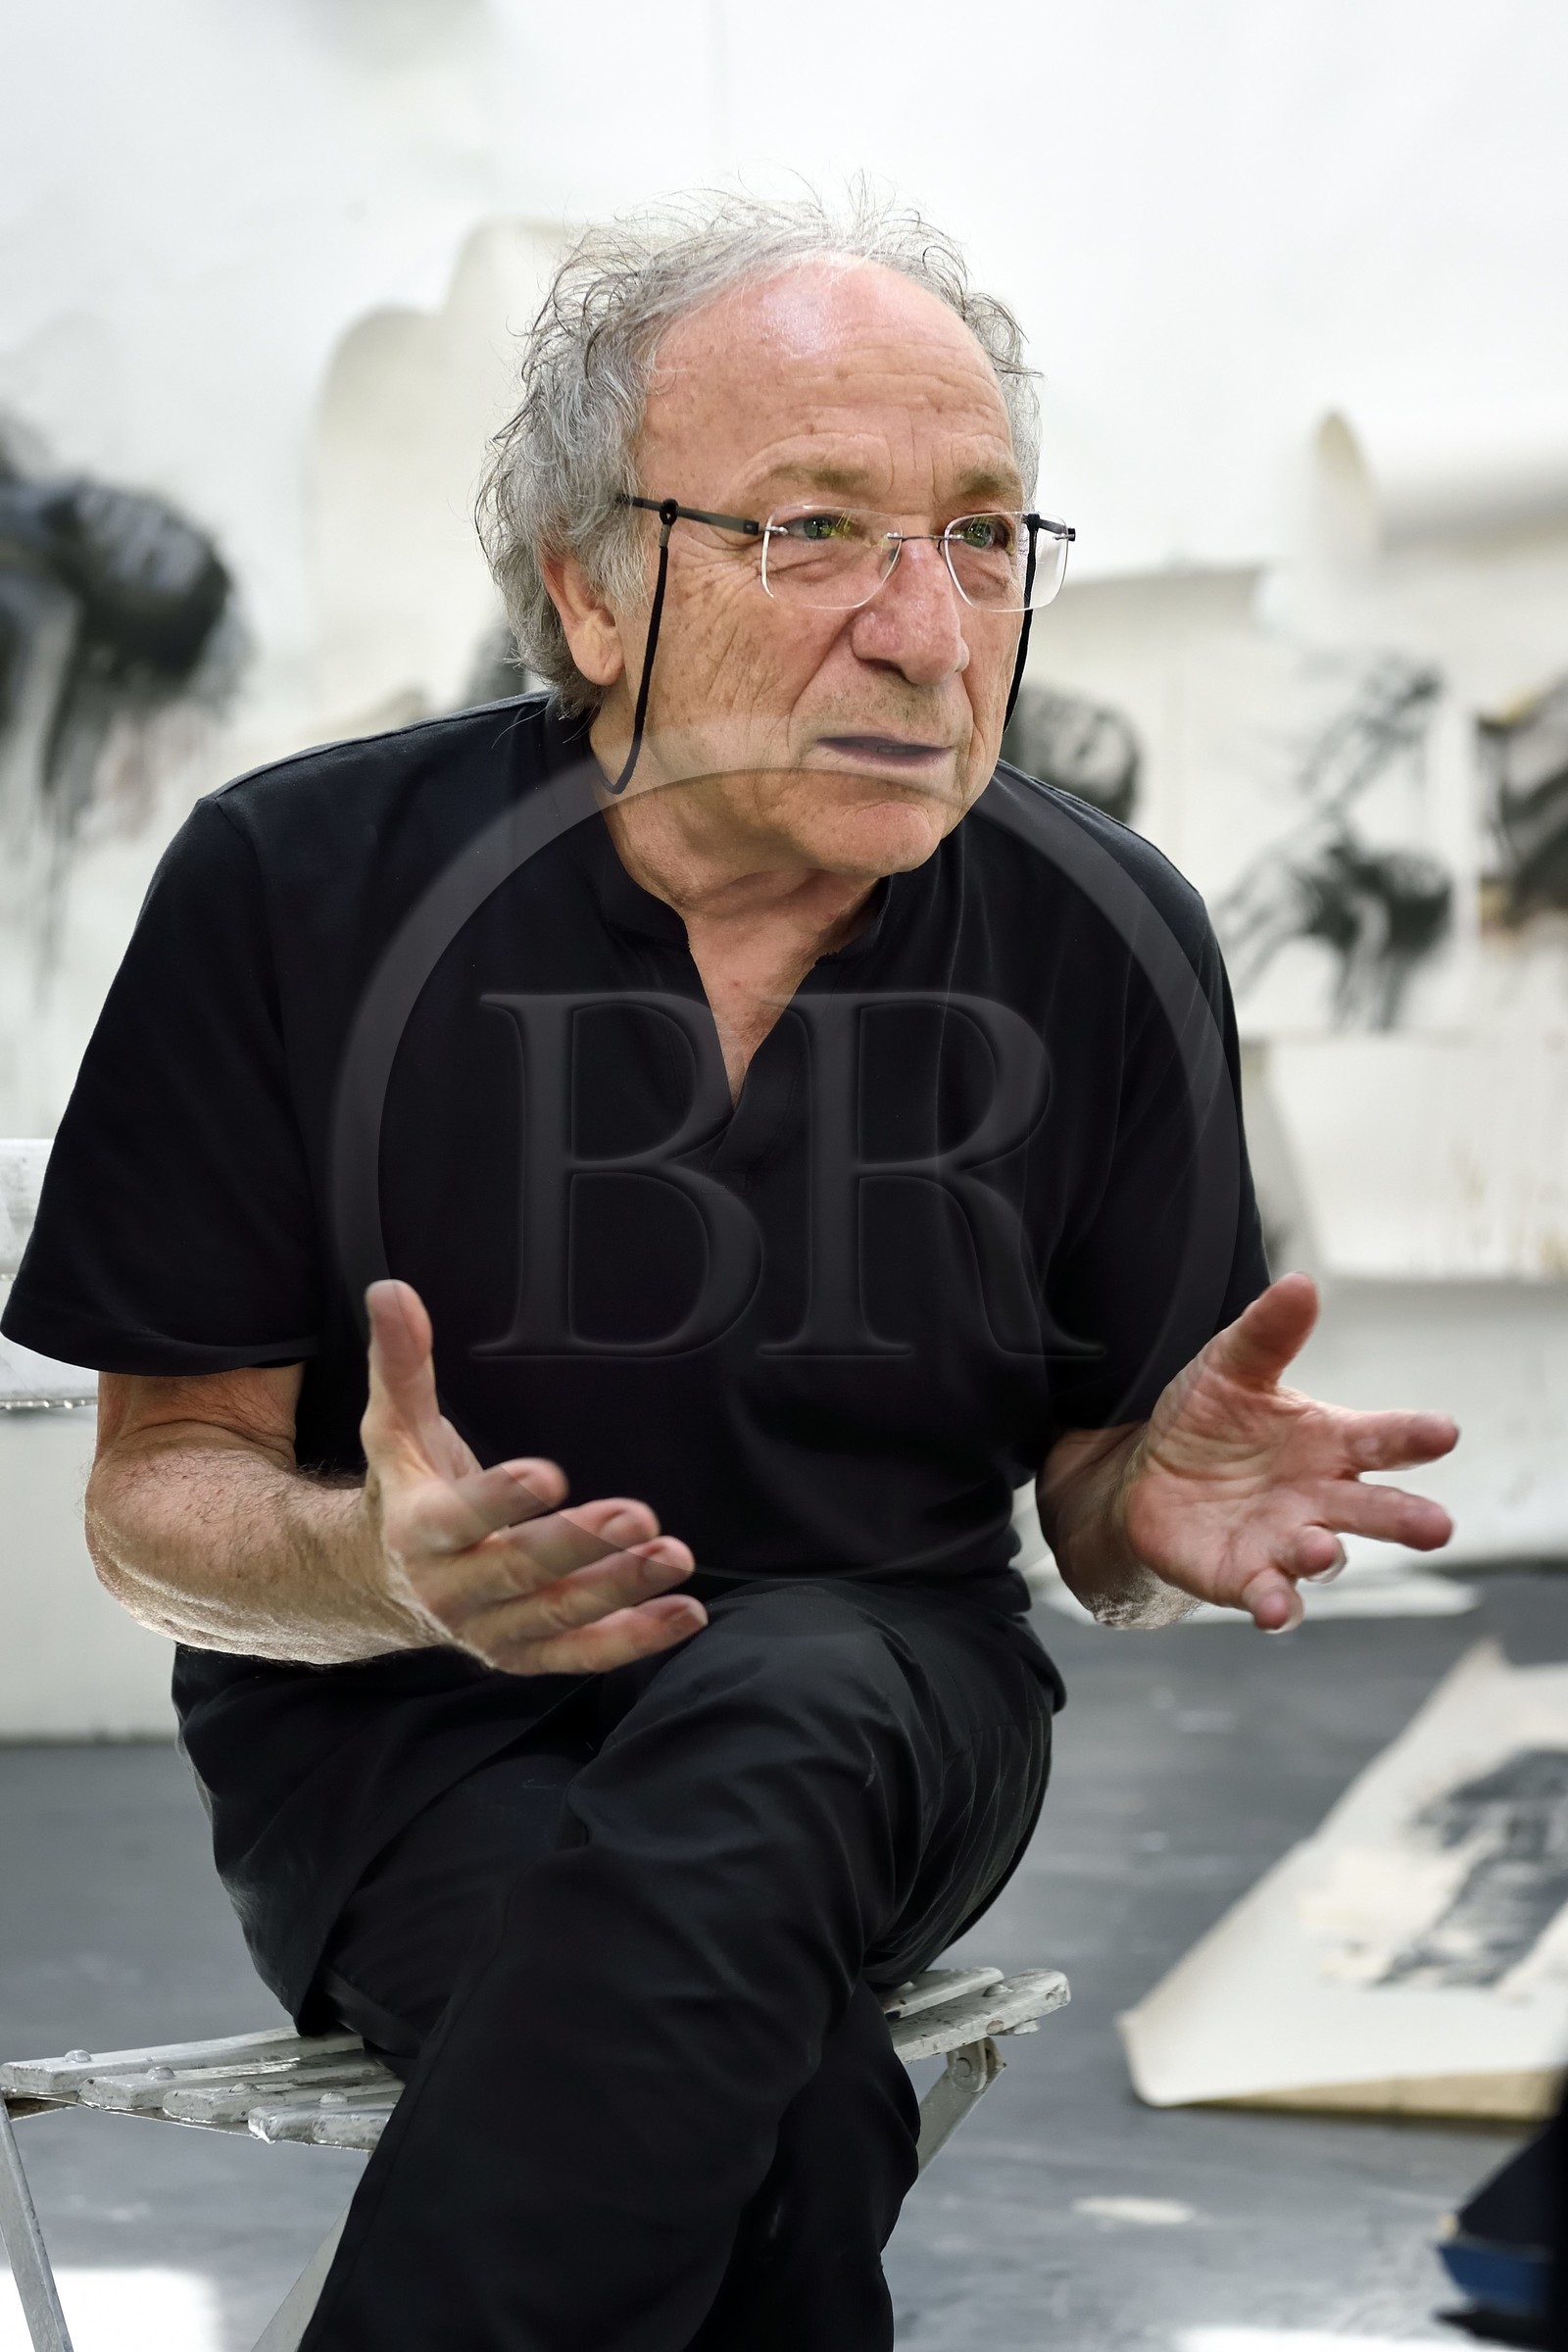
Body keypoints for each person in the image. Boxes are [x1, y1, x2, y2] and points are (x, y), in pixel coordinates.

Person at [3, 192, 1459, 2351]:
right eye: (811, 532)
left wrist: (1139, 1511)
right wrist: (383, 1571)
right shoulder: (293, 888)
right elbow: (159, 1502)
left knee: (785, 1699)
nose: (925, 627)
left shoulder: (1102, 935)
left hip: (893, 1702)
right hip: (402, 1745)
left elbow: (1088, 1513)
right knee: (769, 2121)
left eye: (981, 535)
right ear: (592, 591)